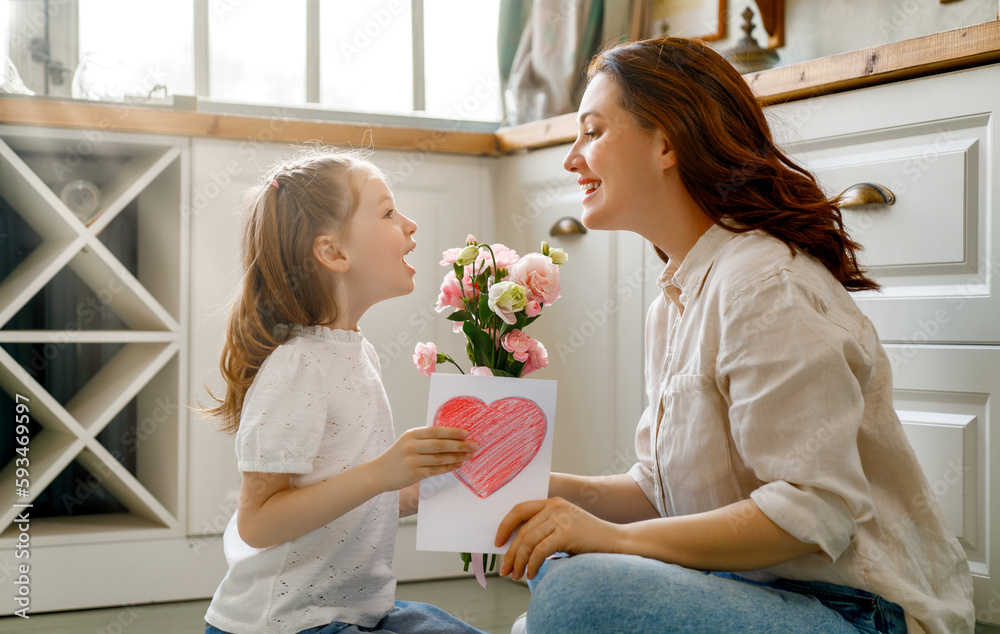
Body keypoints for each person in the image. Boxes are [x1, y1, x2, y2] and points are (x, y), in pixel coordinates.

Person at [495, 37, 976, 634]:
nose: (571, 160)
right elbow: (658, 490)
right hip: (757, 593)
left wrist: (613, 540)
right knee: (567, 577)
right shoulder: (678, 295)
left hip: (859, 613)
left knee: (580, 590)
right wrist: (519, 489)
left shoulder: (763, 283)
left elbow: (813, 510)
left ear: (667, 140)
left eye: (592, 132)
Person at [203, 149, 485, 634]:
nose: (411, 225)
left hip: (351, 613)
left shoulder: (354, 352)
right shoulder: (297, 365)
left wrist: (405, 491)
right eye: (389, 212)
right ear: (333, 253)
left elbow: (334, 489)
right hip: (282, 625)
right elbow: (258, 521)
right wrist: (382, 473)